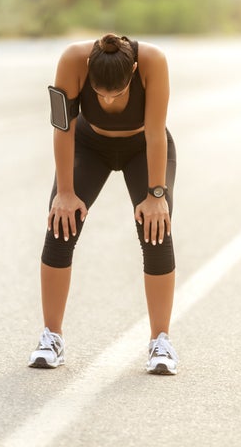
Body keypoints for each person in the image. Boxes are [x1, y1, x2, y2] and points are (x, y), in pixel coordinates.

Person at [29, 33, 179, 375]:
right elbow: (62, 128)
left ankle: (161, 341)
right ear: (87, 73)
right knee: (60, 225)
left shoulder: (153, 62)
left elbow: (155, 132)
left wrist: (156, 196)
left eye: (119, 93)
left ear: (134, 72)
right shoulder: (71, 60)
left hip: (144, 145)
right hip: (88, 144)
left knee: (155, 231)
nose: (109, 101)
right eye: (100, 94)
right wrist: (64, 193)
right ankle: (52, 336)